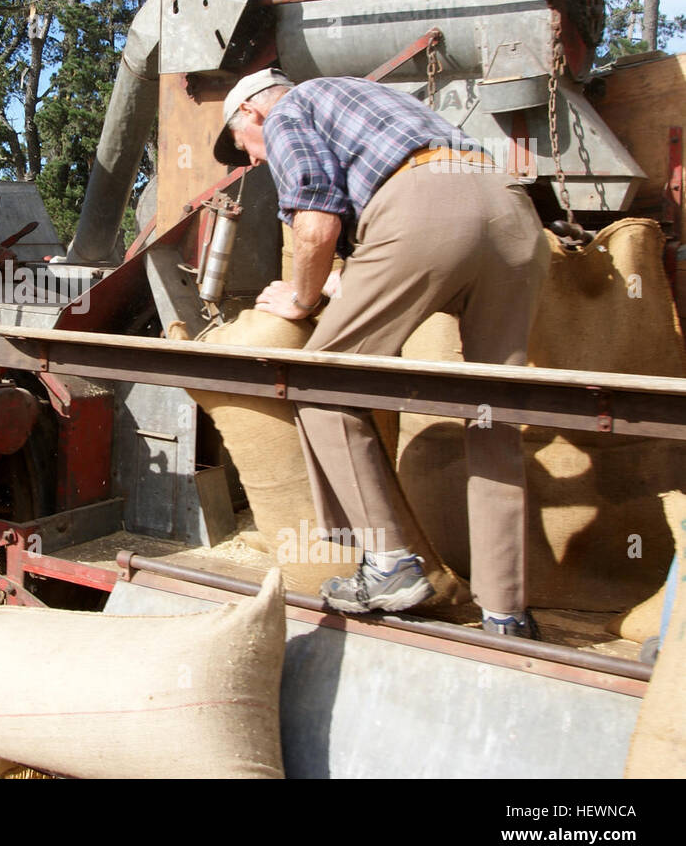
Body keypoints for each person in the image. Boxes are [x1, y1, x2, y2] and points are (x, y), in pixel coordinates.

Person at [219, 69, 550, 638]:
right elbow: (412, 251)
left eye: (245, 150)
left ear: (250, 112)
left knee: (321, 382)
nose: (256, 161)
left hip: (425, 209)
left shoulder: (290, 109)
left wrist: (300, 300)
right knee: (493, 418)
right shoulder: (380, 101)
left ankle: (390, 563)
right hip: (513, 217)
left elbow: (318, 220)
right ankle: (505, 614)